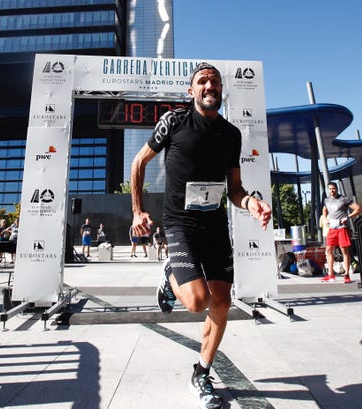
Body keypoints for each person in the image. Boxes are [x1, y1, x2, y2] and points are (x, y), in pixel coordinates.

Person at [130, 62, 272, 409]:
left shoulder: (231, 134)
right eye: (202, 81)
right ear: (191, 91)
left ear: (221, 91)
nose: (210, 86)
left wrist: (251, 203)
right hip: (181, 223)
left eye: (215, 82)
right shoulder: (174, 121)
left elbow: (235, 188)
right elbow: (138, 163)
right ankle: (170, 274)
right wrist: (137, 210)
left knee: (222, 302)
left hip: (215, 227)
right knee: (196, 302)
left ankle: (201, 373)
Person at [320, 181, 362, 283]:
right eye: (330, 189)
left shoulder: (344, 199)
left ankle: (347, 275)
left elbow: (358, 208)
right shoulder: (327, 200)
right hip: (332, 229)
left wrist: (348, 217)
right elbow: (324, 210)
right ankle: (331, 275)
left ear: (336, 189)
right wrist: (325, 218)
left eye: (333, 188)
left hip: (342, 228)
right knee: (329, 250)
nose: (331, 190)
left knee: (344, 251)